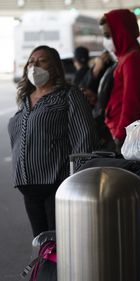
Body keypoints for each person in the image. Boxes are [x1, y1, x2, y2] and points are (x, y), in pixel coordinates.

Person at [8, 45, 98, 237]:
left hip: (56, 185)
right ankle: (44, 268)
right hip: (28, 185)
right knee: (40, 243)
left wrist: (74, 179)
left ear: (55, 67)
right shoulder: (25, 99)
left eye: (42, 61)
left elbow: (84, 138)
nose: (34, 66)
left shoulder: (68, 95)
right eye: (31, 61)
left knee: (59, 243)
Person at [99, 9, 140, 150]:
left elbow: (131, 102)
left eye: (107, 35)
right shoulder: (126, 58)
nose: (106, 40)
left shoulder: (132, 60)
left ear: (120, 32)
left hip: (127, 135)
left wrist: (120, 135)